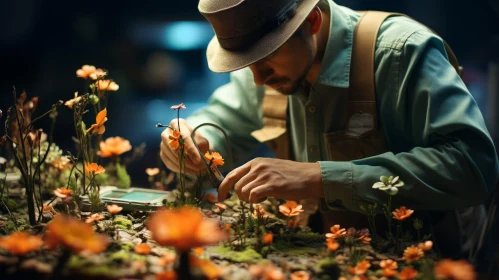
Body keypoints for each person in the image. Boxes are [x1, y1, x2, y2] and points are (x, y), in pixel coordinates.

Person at [160, 0, 499, 258]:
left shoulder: (400, 53)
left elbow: (473, 166)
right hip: (322, 257)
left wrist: (318, 177)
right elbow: (224, 120)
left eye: (265, 59)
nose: (258, 79)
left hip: (427, 260)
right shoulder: (266, 72)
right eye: (247, 64)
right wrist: (197, 138)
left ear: (312, 20)